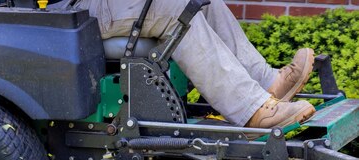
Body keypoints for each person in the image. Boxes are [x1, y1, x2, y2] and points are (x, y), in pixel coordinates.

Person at [74, 0, 316, 129]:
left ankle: (268, 83)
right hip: (68, 8)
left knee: (207, 2)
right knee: (177, 8)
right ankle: (250, 110)